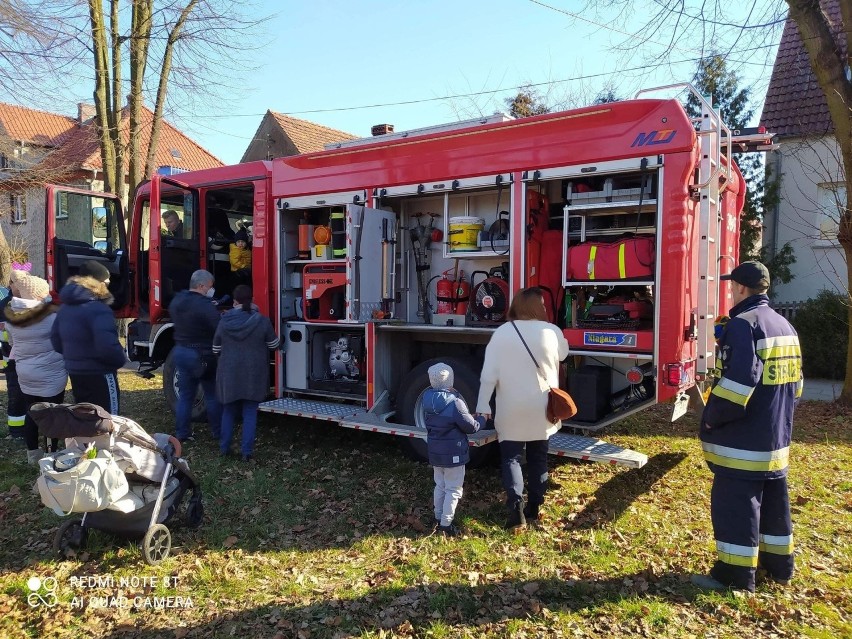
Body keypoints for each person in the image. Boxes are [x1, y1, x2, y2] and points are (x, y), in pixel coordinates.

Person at [692, 261, 803, 593]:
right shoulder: (785, 325)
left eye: (732, 286)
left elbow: (738, 385)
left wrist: (712, 417)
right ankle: (779, 567)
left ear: (740, 288)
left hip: (743, 442)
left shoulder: (744, 325)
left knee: (736, 506)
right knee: (773, 505)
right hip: (775, 438)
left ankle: (734, 577)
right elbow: (796, 386)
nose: (730, 290)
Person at [475, 287, 570, 530]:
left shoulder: (502, 333)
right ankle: (535, 508)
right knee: (539, 457)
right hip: (543, 407)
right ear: (538, 307)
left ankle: (516, 512)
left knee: (511, 458)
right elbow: (564, 355)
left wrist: (483, 404)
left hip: (510, 407)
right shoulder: (552, 331)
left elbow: (489, 375)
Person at [3, 272, 67, 463]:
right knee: (52, 413)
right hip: (52, 372)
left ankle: (32, 453)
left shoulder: (12, 318)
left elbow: (13, 343)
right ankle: (51, 453)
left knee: (31, 411)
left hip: (25, 373)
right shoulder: (52, 316)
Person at [212, 285, 278, 461]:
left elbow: (216, 348)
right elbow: (274, 345)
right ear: (252, 300)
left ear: (234, 302)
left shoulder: (224, 320)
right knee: (250, 412)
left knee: (228, 411)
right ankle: (246, 453)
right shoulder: (262, 321)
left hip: (229, 374)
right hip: (253, 374)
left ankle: (224, 449)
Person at [51, 260, 125, 414]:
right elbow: (107, 346)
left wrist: (74, 358)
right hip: (101, 373)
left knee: (85, 416)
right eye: (107, 281)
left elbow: (56, 340)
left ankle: (85, 439)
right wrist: (120, 359)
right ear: (98, 282)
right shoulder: (99, 309)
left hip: (76, 372)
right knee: (108, 418)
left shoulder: (64, 308)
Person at [423, 362, 484, 537]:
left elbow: (443, 421)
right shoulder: (456, 402)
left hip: (435, 452)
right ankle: (446, 525)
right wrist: (482, 420)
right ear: (450, 380)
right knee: (453, 489)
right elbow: (471, 427)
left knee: (440, 485)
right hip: (454, 454)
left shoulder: (427, 400)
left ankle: (437, 516)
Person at [169, 269, 222, 443]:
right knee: (212, 395)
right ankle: (217, 432)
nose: (210, 290)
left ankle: (182, 433)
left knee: (186, 396)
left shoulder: (178, 300)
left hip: (181, 351)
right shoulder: (205, 305)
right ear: (201, 285)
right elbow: (218, 328)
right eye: (209, 286)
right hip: (202, 355)